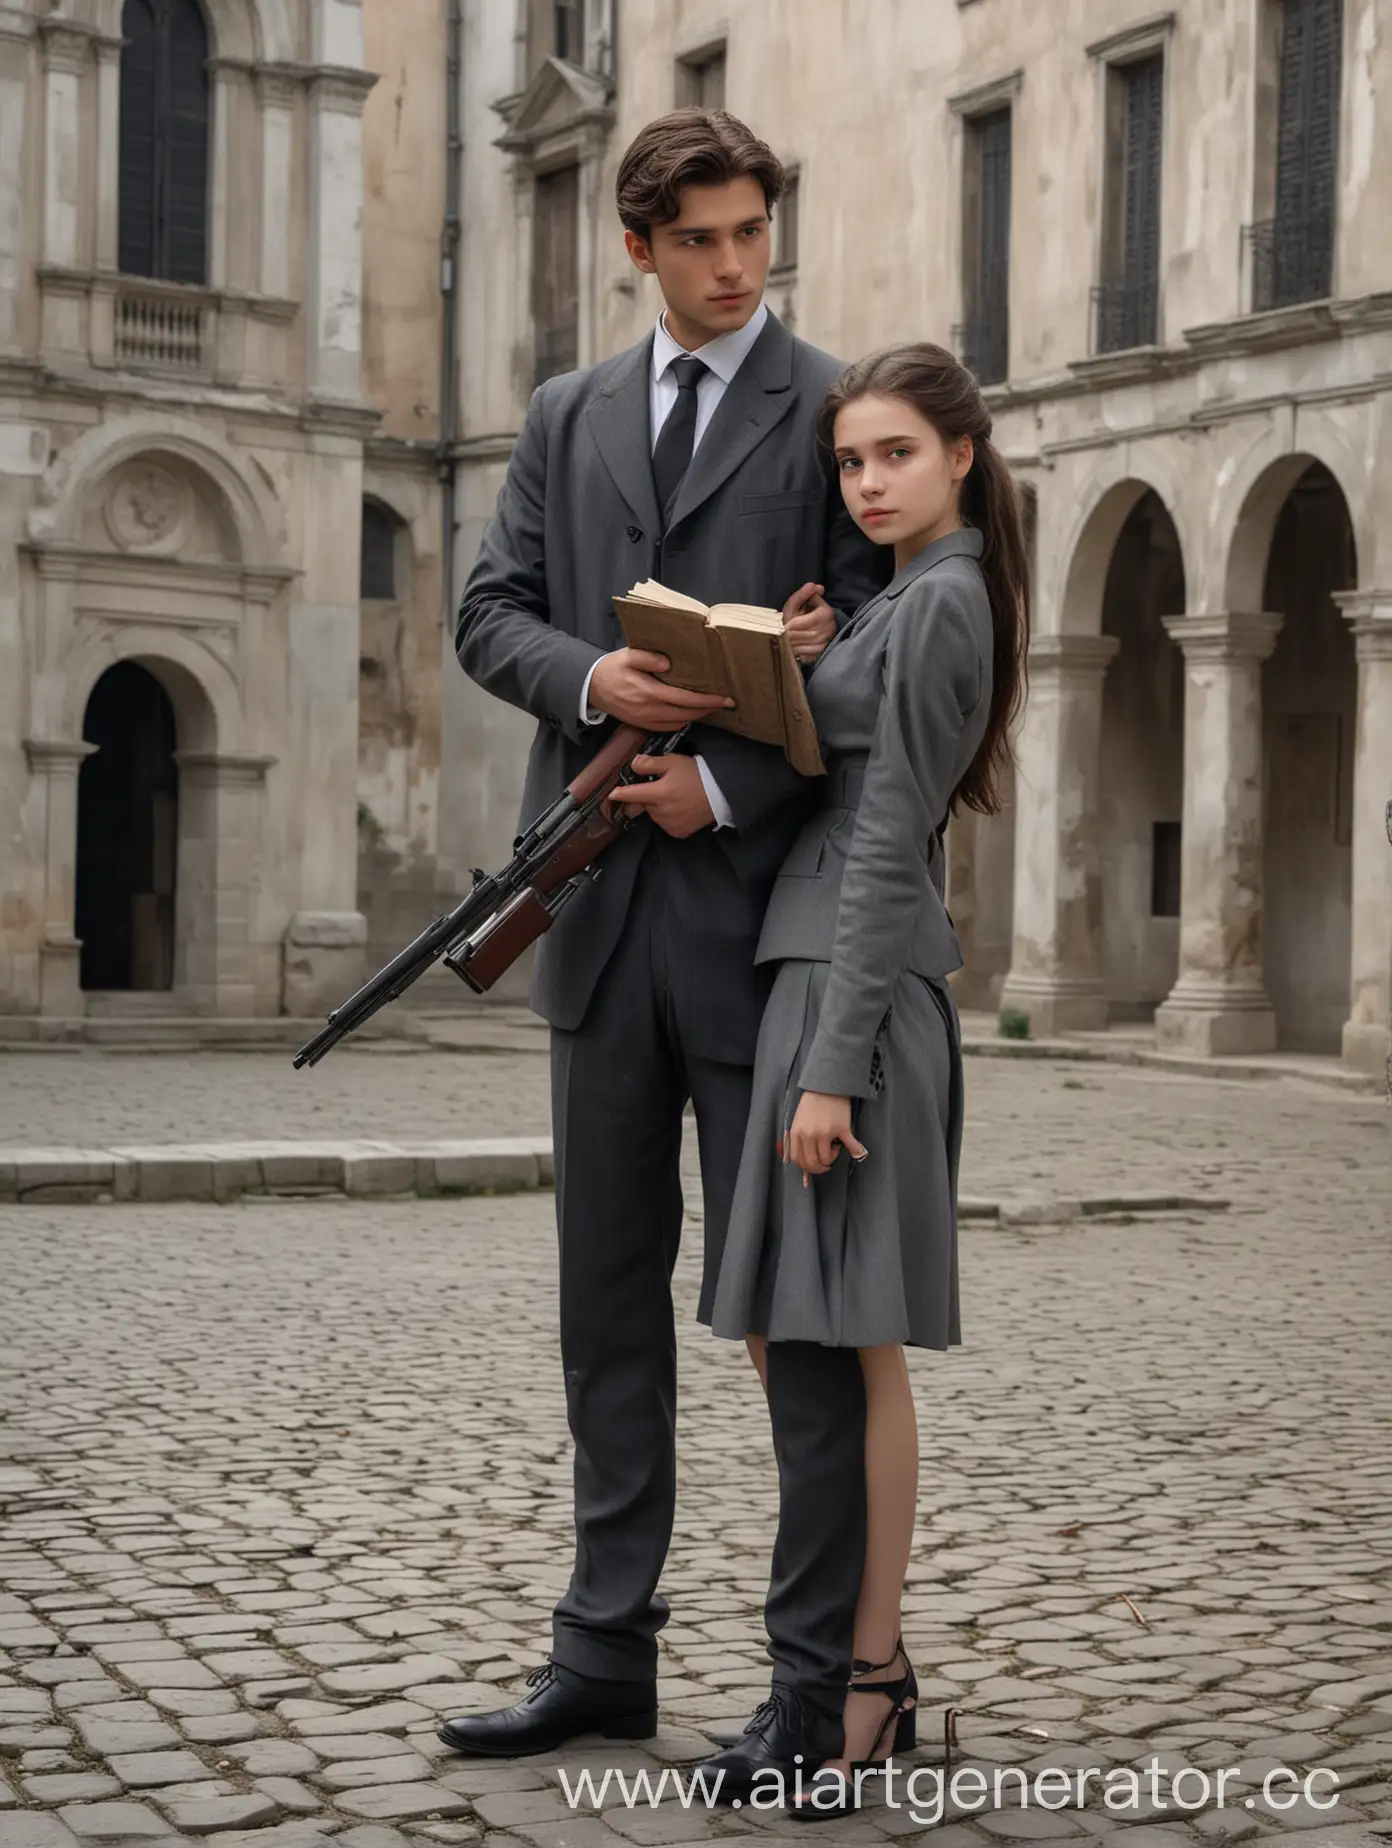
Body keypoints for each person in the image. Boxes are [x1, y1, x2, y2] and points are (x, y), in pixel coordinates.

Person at [437, 109, 887, 1759]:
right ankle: (603, 1653)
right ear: (638, 246)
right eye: (696, 239)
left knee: (792, 1321)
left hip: (760, 937)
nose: (728, 265)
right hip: (594, 931)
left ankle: (808, 1692)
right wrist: (590, 681)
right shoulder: (568, 414)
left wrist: (733, 785)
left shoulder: (835, 409)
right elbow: (488, 611)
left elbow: (874, 664)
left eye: (749, 234)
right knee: (604, 1308)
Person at [700, 343, 1031, 1815]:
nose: (868, 480)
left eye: (895, 452)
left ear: (961, 455)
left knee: (836, 1344)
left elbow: (895, 833)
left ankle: (855, 1684)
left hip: (855, 989)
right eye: (851, 461)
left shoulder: (951, 600)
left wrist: (833, 1070)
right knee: (815, 1340)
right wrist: (809, 658)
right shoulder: (906, 603)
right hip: (816, 971)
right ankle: (857, 1679)